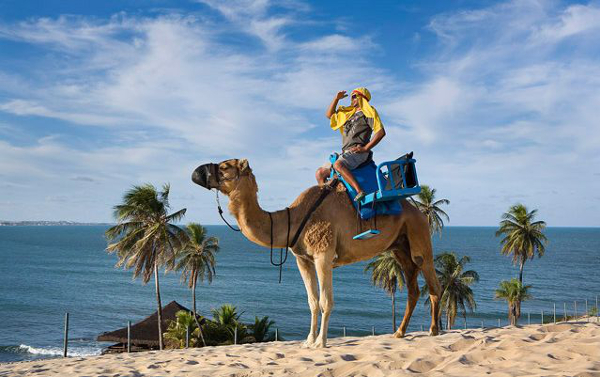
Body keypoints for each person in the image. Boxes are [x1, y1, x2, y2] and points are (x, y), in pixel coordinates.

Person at [316, 87, 386, 202]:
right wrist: (336, 99)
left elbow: (380, 132)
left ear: (361, 98)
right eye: (351, 97)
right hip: (345, 152)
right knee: (320, 173)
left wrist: (365, 148)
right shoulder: (349, 114)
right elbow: (329, 115)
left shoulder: (368, 112)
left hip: (358, 152)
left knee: (338, 164)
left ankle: (359, 191)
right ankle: (325, 198)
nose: (351, 99)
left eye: (354, 96)